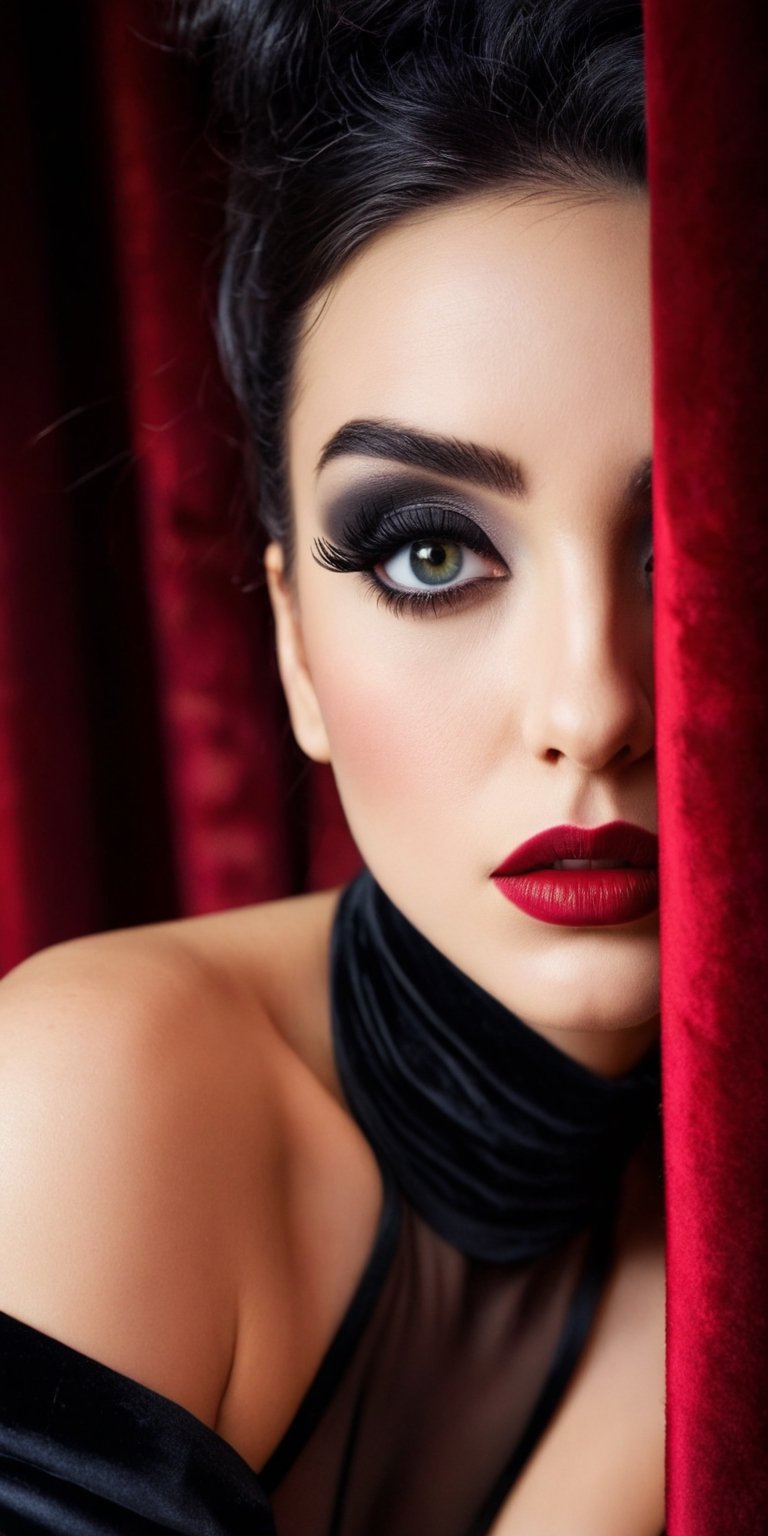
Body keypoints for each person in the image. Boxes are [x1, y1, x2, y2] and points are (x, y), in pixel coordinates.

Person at [0, 2, 667, 1532]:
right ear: (296, 643)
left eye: (685, 546)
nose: (593, 703)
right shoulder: (99, 1100)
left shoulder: (701, 1226)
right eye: (432, 549)